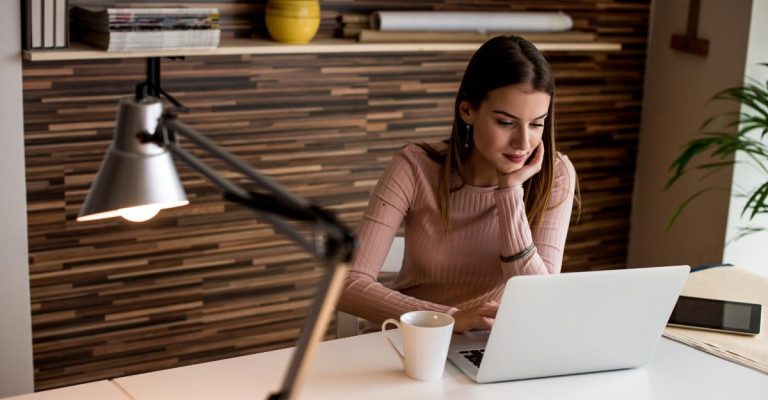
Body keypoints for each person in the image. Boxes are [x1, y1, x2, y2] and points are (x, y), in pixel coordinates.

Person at [336, 35, 578, 333]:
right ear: (467, 111)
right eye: (505, 122)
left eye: (537, 123)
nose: (523, 142)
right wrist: (448, 318)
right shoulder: (415, 167)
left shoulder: (556, 175)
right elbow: (346, 285)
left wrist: (510, 192)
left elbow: (540, 301)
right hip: (411, 343)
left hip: (489, 348)